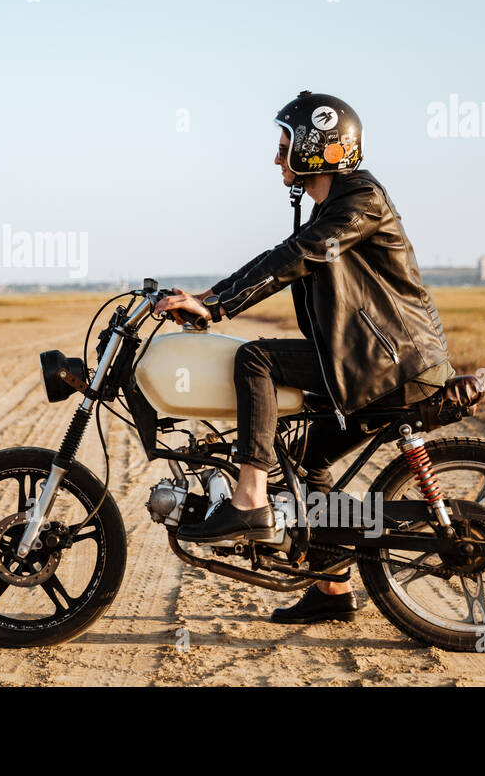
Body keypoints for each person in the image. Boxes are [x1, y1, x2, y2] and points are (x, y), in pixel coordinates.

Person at [155, 91, 453, 624]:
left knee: (256, 360)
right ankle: (331, 588)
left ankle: (248, 501)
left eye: (285, 144)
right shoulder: (333, 207)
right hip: (371, 363)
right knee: (308, 460)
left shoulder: (360, 198)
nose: (277, 158)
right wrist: (208, 298)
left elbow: (296, 256)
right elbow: (287, 255)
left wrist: (216, 304)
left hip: (392, 364)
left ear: (316, 148)